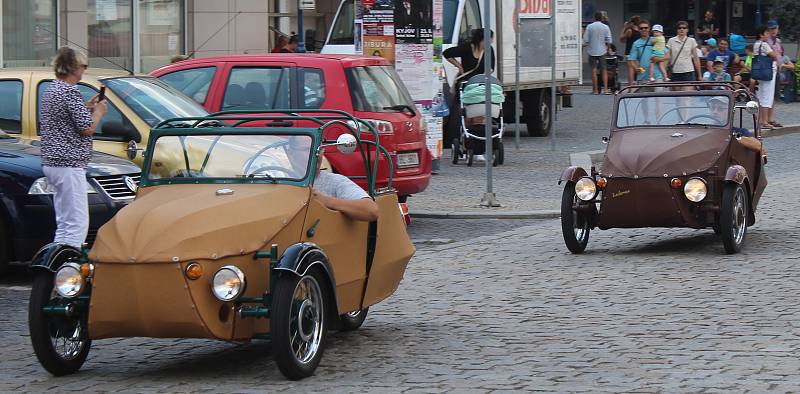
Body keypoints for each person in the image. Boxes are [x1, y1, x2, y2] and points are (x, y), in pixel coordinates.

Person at [39, 47, 108, 249]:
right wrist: (99, 112)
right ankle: (69, 267)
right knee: (77, 223)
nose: (84, 70)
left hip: (53, 162)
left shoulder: (52, 89)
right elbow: (87, 128)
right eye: (83, 66)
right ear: (73, 67)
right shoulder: (69, 92)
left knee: (64, 222)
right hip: (68, 163)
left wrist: (86, 108)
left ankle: (58, 260)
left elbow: (64, 119)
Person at [286, 136, 379, 221]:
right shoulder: (280, 179)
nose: (316, 154)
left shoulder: (335, 181)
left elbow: (371, 210)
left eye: (320, 149)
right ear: (291, 154)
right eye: (308, 149)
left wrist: (326, 201)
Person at [753, 25, 779, 130]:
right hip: (767, 72)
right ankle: (764, 121)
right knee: (766, 96)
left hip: (759, 72)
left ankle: (759, 120)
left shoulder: (755, 44)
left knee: (760, 96)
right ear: (761, 34)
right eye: (766, 33)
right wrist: (773, 48)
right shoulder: (764, 44)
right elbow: (774, 56)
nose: (768, 35)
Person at [583, 12, 612, 94]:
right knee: (604, 70)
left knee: (593, 70)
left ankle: (595, 90)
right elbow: (609, 39)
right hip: (602, 50)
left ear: (594, 18)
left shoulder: (590, 27)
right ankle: (605, 89)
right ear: (602, 18)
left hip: (592, 51)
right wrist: (608, 49)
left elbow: (585, 39)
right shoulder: (605, 27)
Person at [666, 20, 701, 85]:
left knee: (688, 94)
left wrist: (699, 75)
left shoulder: (691, 40)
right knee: (677, 94)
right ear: (677, 30)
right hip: (675, 71)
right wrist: (665, 73)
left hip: (688, 71)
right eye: (679, 28)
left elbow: (696, 58)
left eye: (684, 28)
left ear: (687, 30)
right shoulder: (671, 40)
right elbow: (668, 57)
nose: (682, 29)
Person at [619, 15, 642, 87]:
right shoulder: (640, 31)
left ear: (632, 23)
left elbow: (621, 39)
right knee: (638, 68)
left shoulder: (629, 31)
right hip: (639, 52)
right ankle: (639, 84)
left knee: (630, 70)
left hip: (630, 52)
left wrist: (624, 28)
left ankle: (630, 86)